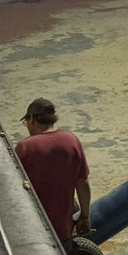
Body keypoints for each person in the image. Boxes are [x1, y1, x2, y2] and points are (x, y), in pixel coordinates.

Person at [15, 97, 91, 243]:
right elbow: (83, 183)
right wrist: (85, 216)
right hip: (63, 231)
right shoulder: (71, 140)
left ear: (32, 119)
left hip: (34, 232)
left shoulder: (25, 147)